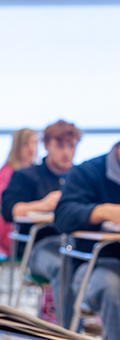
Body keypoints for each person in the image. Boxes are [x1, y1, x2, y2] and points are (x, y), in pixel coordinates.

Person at [1, 119, 81, 321]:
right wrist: (42, 204)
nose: (66, 152)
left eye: (71, 146)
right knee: (64, 265)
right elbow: (10, 210)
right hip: (40, 248)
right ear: (47, 145)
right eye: (60, 145)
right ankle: (68, 331)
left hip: (80, 246)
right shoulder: (26, 176)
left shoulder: (81, 177)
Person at [54, 141, 120, 336]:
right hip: (94, 263)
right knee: (113, 288)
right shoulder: (88, 172)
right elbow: (63, 216)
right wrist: (102, 211)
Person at [0, 128, 38, 255]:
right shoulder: (9, 171)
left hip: (33, 227)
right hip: (12, 230)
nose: (31, 148)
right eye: (26, 143)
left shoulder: (39, 172)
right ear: (17, 146)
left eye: (35, 143)